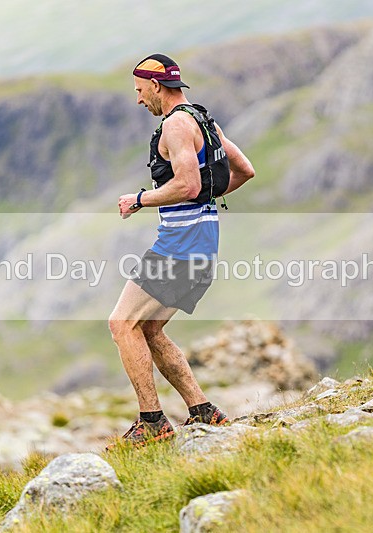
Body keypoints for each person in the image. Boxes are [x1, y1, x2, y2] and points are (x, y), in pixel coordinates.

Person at [107, 53, 255, 448]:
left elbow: (187, 185)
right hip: (203, 244)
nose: (139, 100)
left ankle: (152, 422)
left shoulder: (175, 125)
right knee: (149, 329)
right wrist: (205, 197)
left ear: (156, 86)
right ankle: (203, 410)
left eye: (141, 91)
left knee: (122, 324)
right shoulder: (204, 120)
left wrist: (140, 199)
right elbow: (244, 170)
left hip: (180, 247)